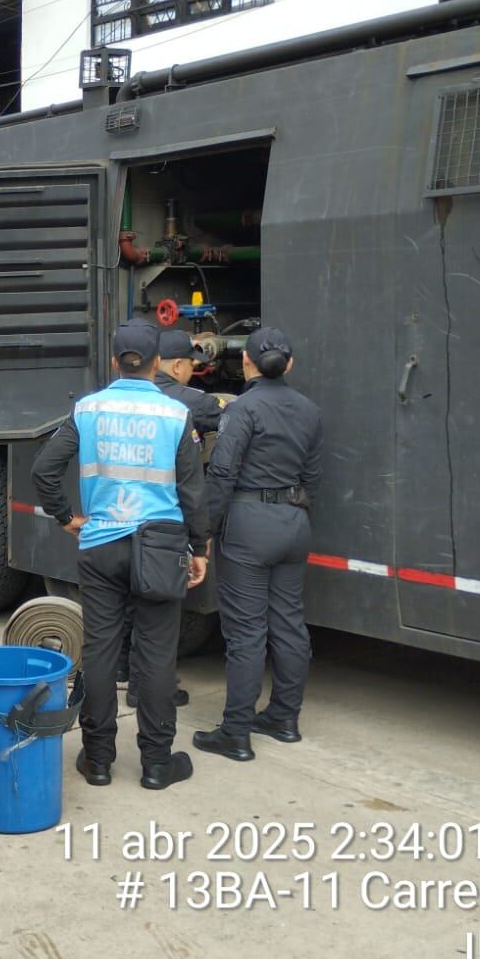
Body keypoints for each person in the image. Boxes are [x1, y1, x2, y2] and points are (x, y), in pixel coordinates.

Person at [31, 320, 210, 791]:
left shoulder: (88, 409)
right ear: (157, 363)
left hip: (101, 544)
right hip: (160, 547)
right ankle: (155, 763)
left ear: (114, 361)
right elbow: (193, 491)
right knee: (155, 655)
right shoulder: (175, 414)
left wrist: (66, 515)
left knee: (101, 650)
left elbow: (45, 468)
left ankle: (98, 760)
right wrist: (202, 547)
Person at [193, 327, 324, 763]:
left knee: (247, 631)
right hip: (294, 521)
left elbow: (223, 472)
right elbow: (314, 476)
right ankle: (284, 719)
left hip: (249, 525)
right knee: (288, 621)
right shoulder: (309, 410)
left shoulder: (243, 409)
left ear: (246, 363)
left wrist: (204, 533)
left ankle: (236, 733)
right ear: (289, 365)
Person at [118, 327, 227, 710]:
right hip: (165, 523)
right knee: (161, 616)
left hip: (120, 519)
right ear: (178, 365)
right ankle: (154, 690)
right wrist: (202, 541)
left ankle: (129, 679)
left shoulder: (114, 400)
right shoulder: (192, 403)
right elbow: (195, 485)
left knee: (130, 605)